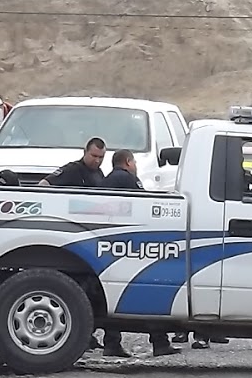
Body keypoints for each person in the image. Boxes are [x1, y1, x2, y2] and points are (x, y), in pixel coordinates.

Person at [99, 150, 179, 358]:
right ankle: (159, 342)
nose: (135, 165)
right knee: (151, 290)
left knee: (112, 296)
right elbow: (144, 203)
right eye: (134, 161)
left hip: (111, 242)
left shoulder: (107, 180)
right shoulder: (127, 179)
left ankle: (111, 342)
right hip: (131, 243)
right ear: (127, 162)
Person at [40, 138, 107, 188]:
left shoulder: (99, 173)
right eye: (94, 156)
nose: (97, 160)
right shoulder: (73, 169)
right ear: (85, 152)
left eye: (101, 157)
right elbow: (44, 184)